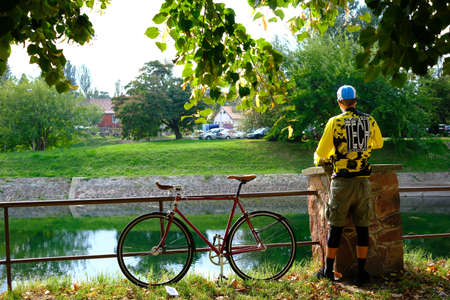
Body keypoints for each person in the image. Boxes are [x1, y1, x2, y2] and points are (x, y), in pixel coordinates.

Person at [313, 85, 383, 285]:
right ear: (356, 100)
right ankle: (362, 272)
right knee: (363, 227)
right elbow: (378, 143)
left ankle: (328, 271)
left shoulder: (335, 122)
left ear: (339, 102)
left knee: (336, 227)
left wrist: (320, 157)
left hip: (342, 183)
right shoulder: (369, 120)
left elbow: (323, 152)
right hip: (363, 182)